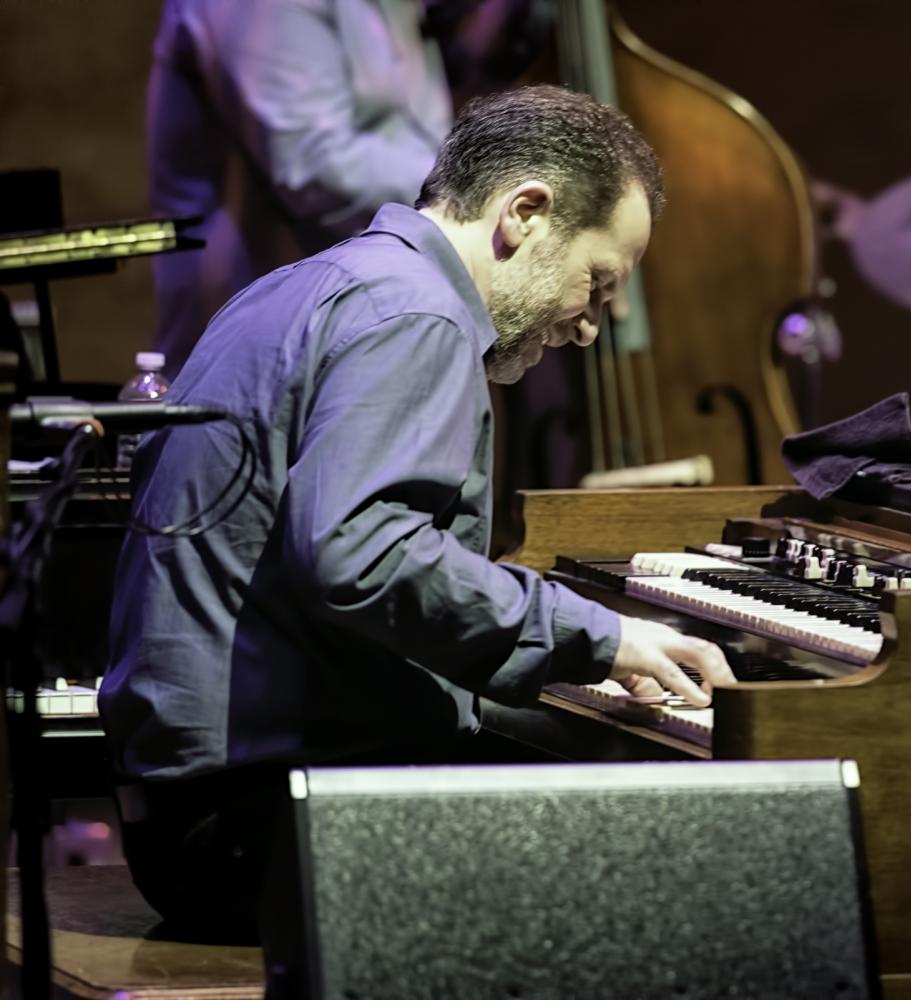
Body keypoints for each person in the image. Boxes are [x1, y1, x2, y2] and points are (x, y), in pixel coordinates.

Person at [102, 85, 734, 941]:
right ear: (527, 212)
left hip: (192, 808)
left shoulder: (300, 286)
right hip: (260, 827)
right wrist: (604, 640)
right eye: (598, 280)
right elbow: (358, 554)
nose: (591, 327)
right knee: (699, 879)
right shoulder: (419, 315)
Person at [147, 0, 534, 374]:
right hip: (276, 337)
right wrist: (490, 182)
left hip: (366, 318)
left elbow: (414, 125)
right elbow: (315, 164)